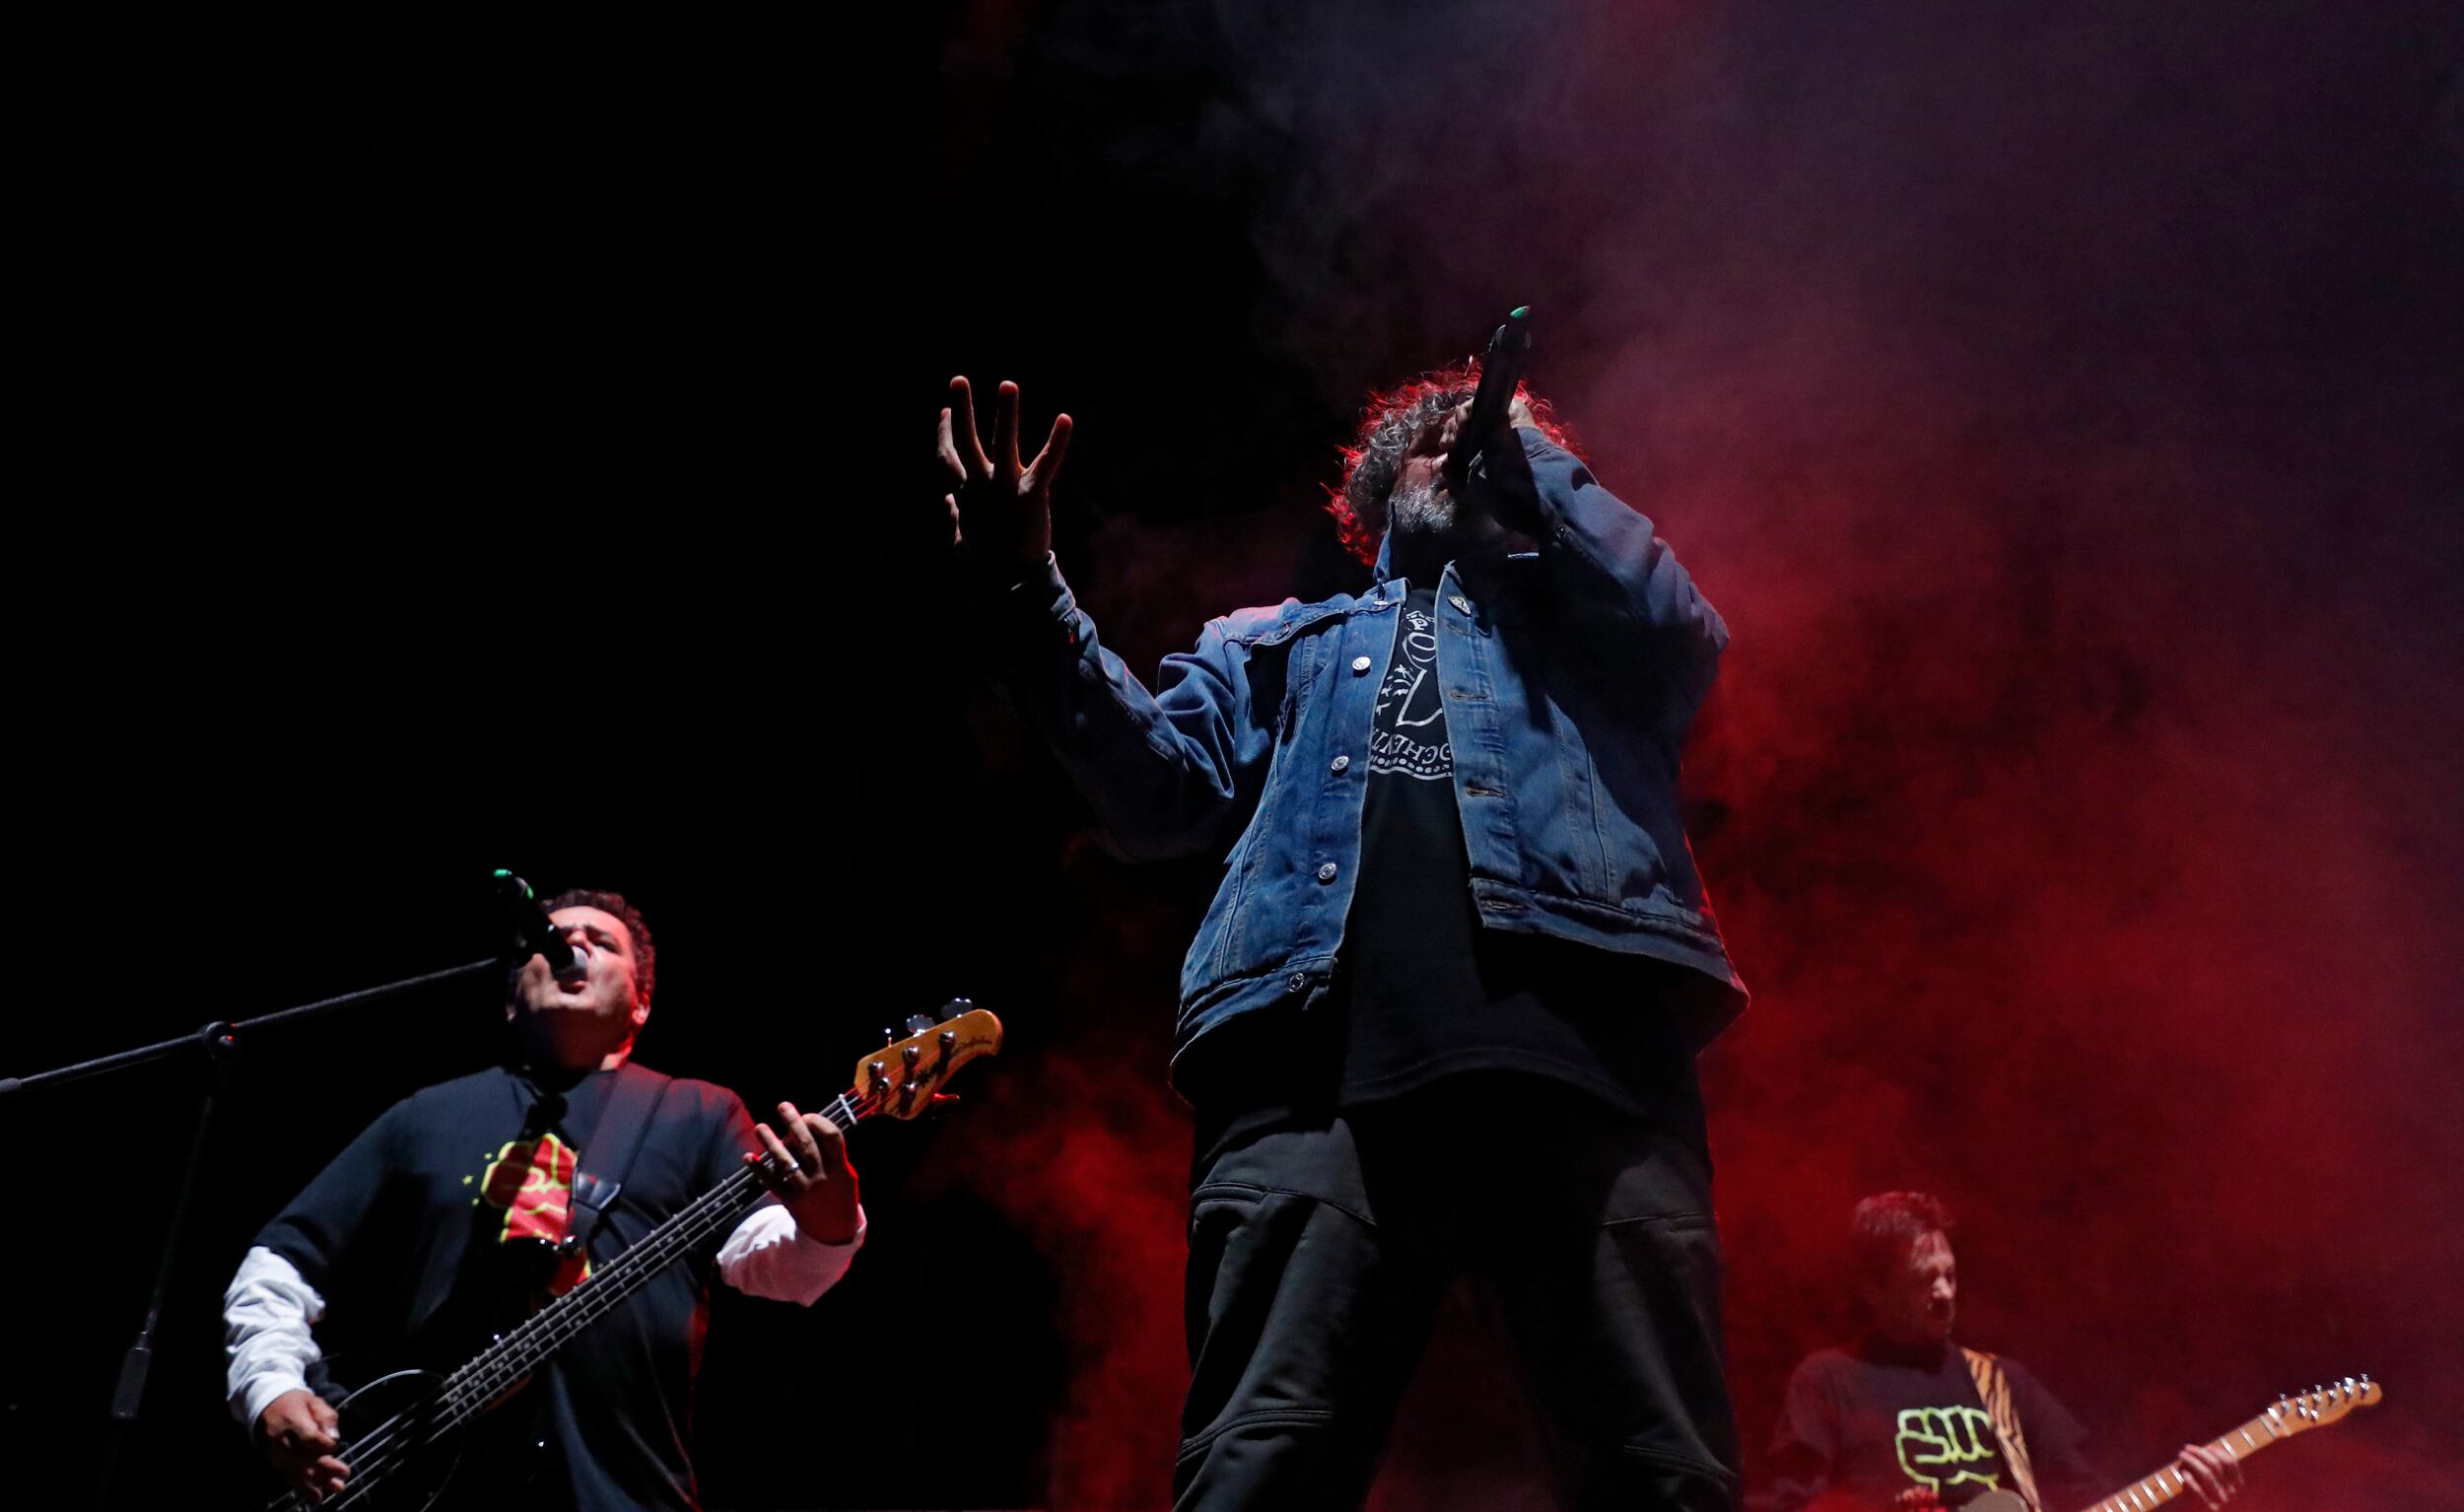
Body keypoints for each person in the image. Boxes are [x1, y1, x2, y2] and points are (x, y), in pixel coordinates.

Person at [939, 367, 1747, 1510]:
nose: (1464, 448)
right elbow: (1153, 796)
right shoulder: (1269, 640)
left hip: (1591, 1072)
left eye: (1486, 441)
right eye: (1439, 440)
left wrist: (1525, 453)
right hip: (1310, 1085)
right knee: (1257, 1464)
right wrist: (1025, 584)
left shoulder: (1598, 630)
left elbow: (1683, 627)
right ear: (1376, 492)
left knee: (1660, 1473)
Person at [222, 889, 864, 1510]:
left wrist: (829, 1216)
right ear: (510, 998)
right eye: (553, 940)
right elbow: (283, 1260)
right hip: (425, 1482)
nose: (573, 945)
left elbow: (778, 1266)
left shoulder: (696, 1111)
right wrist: (269, 1386)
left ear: (642, 1002)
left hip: (622, 1488)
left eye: (601, 942)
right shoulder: (427, 1114)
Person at [1755, 1193, 2243, 1512]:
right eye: (1923, 1280)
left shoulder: (2002, 1381)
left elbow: (2082, 1494)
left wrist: (2182, 1496)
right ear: (1873, 1291)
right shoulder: (1829, 1379)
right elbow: (1788, 1504)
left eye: (1949, 1275)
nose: (1945, 1293)